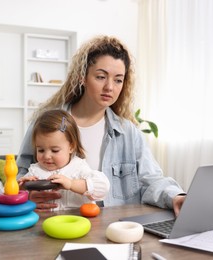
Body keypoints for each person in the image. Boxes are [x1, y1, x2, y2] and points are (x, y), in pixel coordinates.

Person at [17, 35, 186, 215]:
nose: (109, 87)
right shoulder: (45, 123)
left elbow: (151, 179)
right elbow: (21, 174)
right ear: (82, 77)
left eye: (118, 80)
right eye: (100, 77)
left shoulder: (128, 132)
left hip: (113, 227)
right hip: (54, 226)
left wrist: (176, 197)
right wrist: (27, 195)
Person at [17, 109, 110, 211]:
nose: (47, 156)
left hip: (76, 222)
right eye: (41, 150)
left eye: (55, 150)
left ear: (71, 147)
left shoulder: (79, 167)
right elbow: (5, 194)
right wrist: (22, 189)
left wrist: (71, 184)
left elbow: (103, 187)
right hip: (46, 224)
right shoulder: (34, 171)